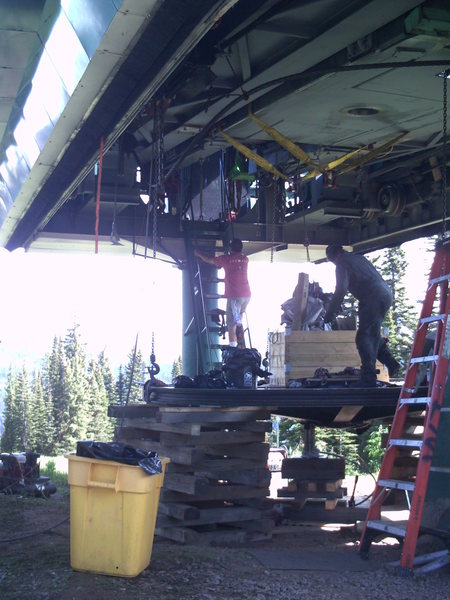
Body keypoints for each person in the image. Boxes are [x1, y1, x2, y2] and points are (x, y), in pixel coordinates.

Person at [323, 243, 400, 387]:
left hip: (373, 297)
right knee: (373, 334)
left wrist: (329, 313)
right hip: (384, 294)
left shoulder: (342, 263)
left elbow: (341, 290)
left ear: (332, 257)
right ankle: (392, 364)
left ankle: (368, 378)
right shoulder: (357, 258)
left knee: (364, 337)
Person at [195, 239, 251, 347]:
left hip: (235, 296)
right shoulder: (245, 259)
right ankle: (239, 324)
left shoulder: (226, 260)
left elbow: (210, 260)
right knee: (238, 318)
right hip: (246, 295)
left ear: (230, 249)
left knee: (231, 325)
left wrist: (198, 254)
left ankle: (233, 350)